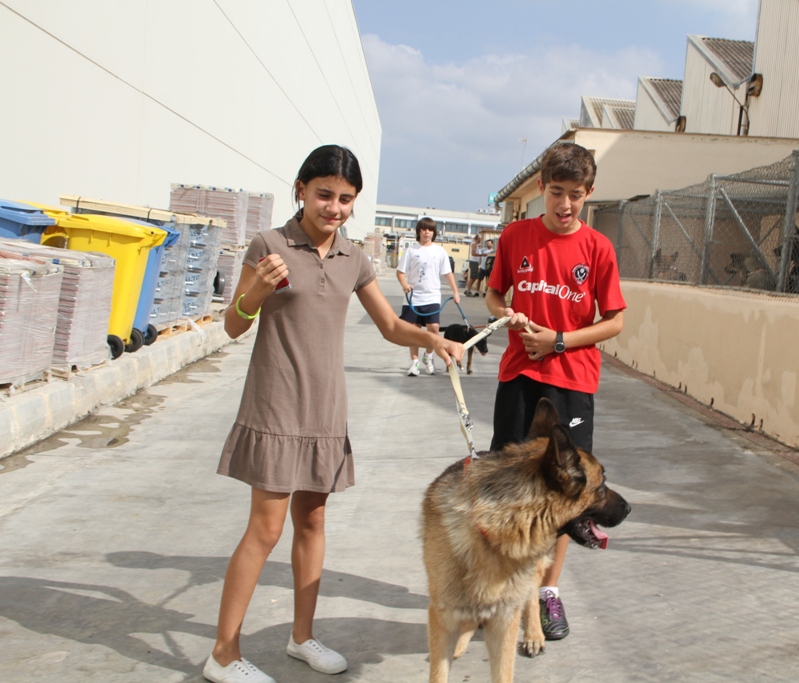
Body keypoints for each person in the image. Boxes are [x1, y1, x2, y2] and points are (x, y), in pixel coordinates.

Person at [207, 145, 463, 683]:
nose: (335, 207)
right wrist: (255, 288)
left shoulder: (355, 258)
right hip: (275, 403)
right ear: (300, 189)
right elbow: (234, 325)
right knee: (265, 529)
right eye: (324, 194)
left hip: (326, 407)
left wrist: (434, 340)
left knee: (314, 519)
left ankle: (302, 637)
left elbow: (391, 326)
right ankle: (223, 654)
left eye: (346, 199)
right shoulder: (270, 245)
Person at [485, 142, 626, 641]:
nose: (565, 205)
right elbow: (494, 292)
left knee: (567, 490)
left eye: (576, 195)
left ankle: (547, 592)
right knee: (508, 484)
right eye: (557, 193)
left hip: (572, 382)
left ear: (589, 194)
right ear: (541, 189)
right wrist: (508, 314)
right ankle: (501, 589)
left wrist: (560, 340)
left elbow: (615, 321)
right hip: (519, 378)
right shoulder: (515, 237)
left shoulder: (599, 249)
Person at [396, 218, 460, 376]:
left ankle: (429, 357)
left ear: (434, 233)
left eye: (430, 230)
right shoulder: (411, 250)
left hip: (431, 297)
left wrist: (456, 292)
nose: (427, 232)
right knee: (414, 331)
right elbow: (400, 272)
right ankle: (414, 363)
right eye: (424, 229)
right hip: (413, 297)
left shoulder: (439, 252)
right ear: (418, 231)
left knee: (433, 328)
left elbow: (447, 273)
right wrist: (404, 284)